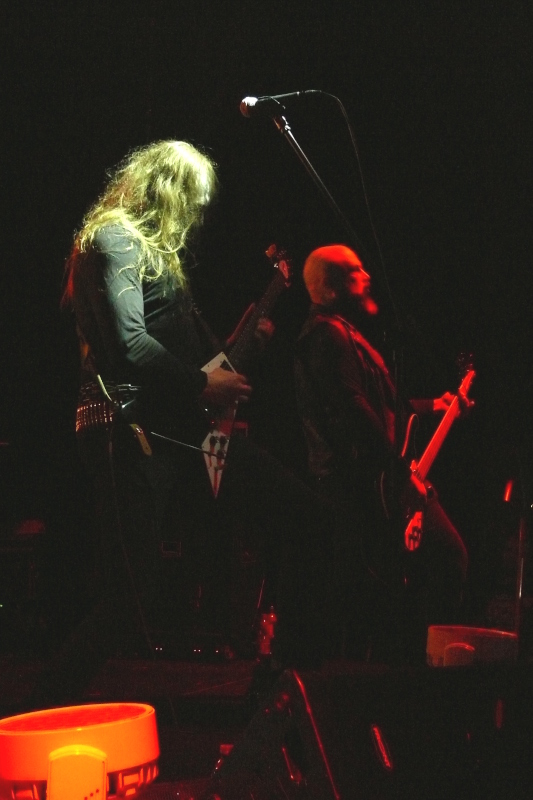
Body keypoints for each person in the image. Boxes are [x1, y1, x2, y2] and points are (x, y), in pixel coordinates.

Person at [29, 140, 329, 710]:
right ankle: (40, 708)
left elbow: (186, 357)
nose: (194, 213)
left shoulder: (148, 251)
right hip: (131, 432)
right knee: (129, 595)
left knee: (299, 515)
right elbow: (129, 344)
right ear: (165, 188)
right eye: (191, 198)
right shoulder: (114, 237)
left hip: (178, 431)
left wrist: (237, 356)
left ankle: (283, 679)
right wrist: (201, 384)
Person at [294, 244, 469, 663]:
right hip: (362, 489)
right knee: (441, 560)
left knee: (418, 573)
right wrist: (401, 472)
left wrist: (434, 405)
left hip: (380, 483)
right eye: (355, 271)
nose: (368, 276)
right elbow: (354, 410)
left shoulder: (344, 334)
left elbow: (381, 404)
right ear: (330, 290)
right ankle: (421, 672)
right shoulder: (326, 335)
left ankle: (410, 667)